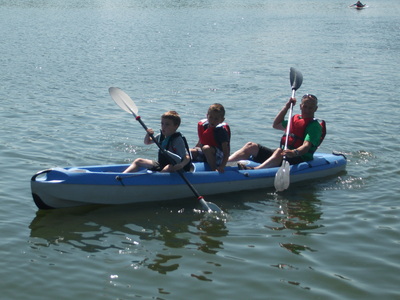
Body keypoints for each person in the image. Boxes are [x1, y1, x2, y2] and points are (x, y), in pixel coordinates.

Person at [228, 94, 325, 170]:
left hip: (299, 158)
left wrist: (293, 152)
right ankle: (225, 163)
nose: (307, 110)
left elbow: (306, 147)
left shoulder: (314, 126)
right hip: (284, 154)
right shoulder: (296, 119)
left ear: (315, 109)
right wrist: (287, 107)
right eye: (305, 106)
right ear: (300, 106)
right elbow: (276, 124)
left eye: (310, 107)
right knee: (250, 146)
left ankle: (256, 170)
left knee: (279, 151)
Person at [123, 111, 190, 173]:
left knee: (167, 168)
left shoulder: (177, 140)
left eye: (167, 124)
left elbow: (186, 157)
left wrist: (181, 165)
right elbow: (147, 142)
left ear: (176, 126)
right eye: (162, 123)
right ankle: (121, 177)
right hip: (161, 164)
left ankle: (157, 181)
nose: (163, 127)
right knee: (138, 161)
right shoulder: (161, 136)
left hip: (176, 167)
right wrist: (148, 134)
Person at [190, 103, 231, 173]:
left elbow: (226, 152)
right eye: (211, 117)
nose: (212, 121)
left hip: (219, 157)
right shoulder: (205, 127)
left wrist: (222, 166)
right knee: (189, 151)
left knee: (206, 148)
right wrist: (194, 151)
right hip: (206, 153)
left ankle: (214, 169)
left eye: (216, 119)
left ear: (222, 120)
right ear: (207, 116)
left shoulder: (221, 132)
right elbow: (200, 142)